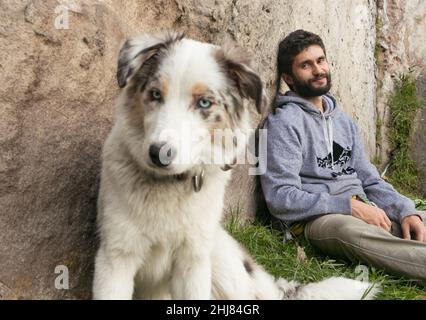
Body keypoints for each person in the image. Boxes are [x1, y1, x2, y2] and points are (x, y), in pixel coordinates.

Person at [260, 29, 426, 281]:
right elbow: (280, 197)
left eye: (321, 60)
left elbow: (370, 180)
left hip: (364, 206)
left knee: (416, 218)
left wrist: (405, 210)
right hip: (318, 220)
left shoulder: (343, 121)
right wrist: (348, 206)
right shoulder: (283, 124)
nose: (318, 70)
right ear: (288, 78)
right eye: (306, 65)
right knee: (351, 231)